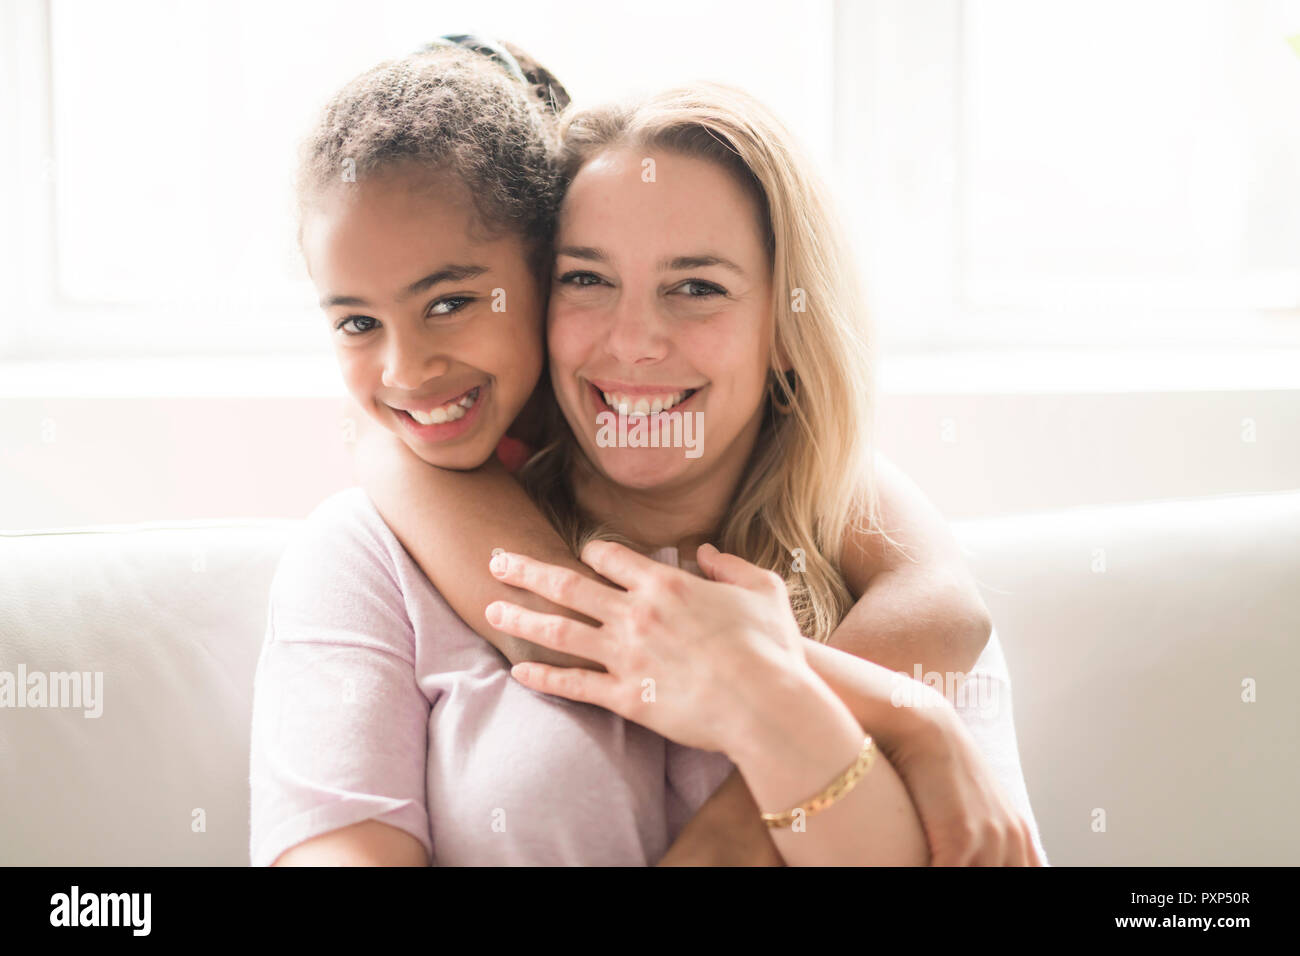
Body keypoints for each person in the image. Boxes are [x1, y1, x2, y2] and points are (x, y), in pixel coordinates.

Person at [250, 36, 1045, 866]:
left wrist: (805, 715)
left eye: (697, 288)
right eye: (586, 279)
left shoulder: (893, 597)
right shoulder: (377, 548)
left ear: (786, 328)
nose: (632, 344)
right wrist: (900, 716)